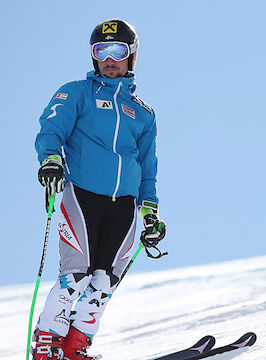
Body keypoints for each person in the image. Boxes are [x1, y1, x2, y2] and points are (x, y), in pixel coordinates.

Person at [33, 19, 166, 360]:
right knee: (75, 276)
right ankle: (47, 347)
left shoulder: (143, 113)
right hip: (82, 194)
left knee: (104, 283)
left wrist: (149, 212)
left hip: (123, 205)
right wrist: (50, 160)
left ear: (131, 56)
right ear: (93, 57)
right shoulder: (77, 92)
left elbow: (148, 169)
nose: (109, 58)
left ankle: (74, 349)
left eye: (117, 50)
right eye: (101, 51)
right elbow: (51, 130)